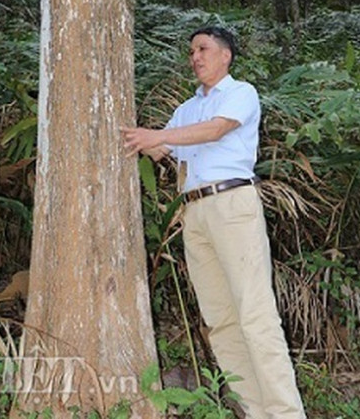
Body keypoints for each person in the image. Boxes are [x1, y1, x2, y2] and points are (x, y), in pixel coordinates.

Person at [121, 25, 306, 419]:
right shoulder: (186, 109)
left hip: (232, 203)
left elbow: (216, 129)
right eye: (191, 52)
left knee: (255, 314)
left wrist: (157, 134)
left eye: (203, 49)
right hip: (194, 210)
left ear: (226, 55)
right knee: (220, 320)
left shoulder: (241, 93)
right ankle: (255, 412)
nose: (195, 57)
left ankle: (287, 413)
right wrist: (130, 131)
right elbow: (160, 149)